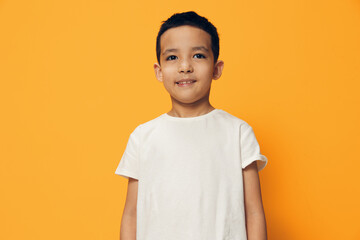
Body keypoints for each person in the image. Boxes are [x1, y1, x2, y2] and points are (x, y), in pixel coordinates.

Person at [115, 11, 268, 240]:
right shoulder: (143, 137)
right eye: (172, 57)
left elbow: (254, 211)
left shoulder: (237, 132)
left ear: (216, 68)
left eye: (198, 55)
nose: (185, 66)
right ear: (159, 72)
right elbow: (130, 214)